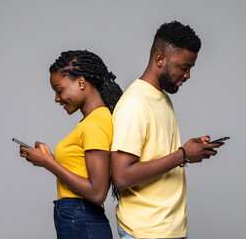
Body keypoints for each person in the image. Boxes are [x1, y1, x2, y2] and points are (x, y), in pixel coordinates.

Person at [111, 21, 224, 239]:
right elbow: (121, 176)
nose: (188, 75)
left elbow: (159, 153)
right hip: (146, 232)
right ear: (160, 59)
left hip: (169, 229)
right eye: (184, 67)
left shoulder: (161, 98)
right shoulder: (134, 104)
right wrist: (183, 155)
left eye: (190, 68)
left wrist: (189, 151)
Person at [19, 50, 123, 239]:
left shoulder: (95, 124)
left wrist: (48, 162)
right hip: (81, 219)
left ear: (81, 82)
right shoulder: (94, 121)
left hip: (81, 219)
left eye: (59, 90)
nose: (57, 99)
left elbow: (97, 192)